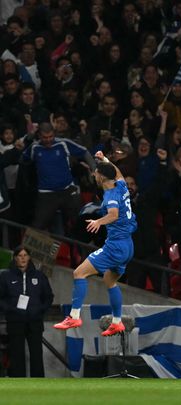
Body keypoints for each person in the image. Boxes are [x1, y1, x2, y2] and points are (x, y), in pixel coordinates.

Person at [53, 151, 138, 336]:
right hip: (128, 246)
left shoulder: (110, 196)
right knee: (109, 280)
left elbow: (114, 214)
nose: (94, 175)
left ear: (102, 176)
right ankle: (117, 321)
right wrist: (105, 160)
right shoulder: (121, 185)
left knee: (79, 273)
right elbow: (118, 173)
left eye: (96, 172)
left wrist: (98, 222)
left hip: (115, 247)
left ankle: (74, 316)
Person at [0, 246, 53, 377]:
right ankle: (18, 384)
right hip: (15, 321)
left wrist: (40, 310)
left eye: (25, 255)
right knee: (16, 354)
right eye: (20, 256)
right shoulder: (6, 276)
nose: (22, 258)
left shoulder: (39, 276)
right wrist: (10, 310)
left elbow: (48, 296)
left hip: (34, 321)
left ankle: (38, 384)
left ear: (29, 258)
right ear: (15, 258)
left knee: (36, 354)